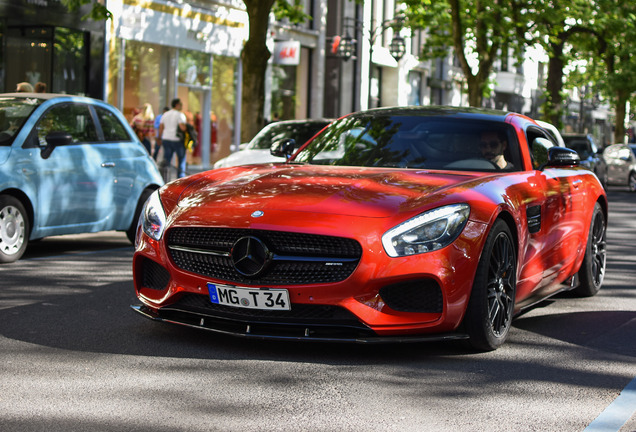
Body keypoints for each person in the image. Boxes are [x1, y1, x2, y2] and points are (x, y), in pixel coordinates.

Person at [158, 98, 187, 178]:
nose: (181, 106)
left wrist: (159, 138)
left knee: (167, 160)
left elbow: (161, 127)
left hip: (166, 139)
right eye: (180, 104)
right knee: (181, 160)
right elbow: (182, 127)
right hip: (177, 140)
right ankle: (181, 180)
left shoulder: (165, 114)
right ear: (177, 105)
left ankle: (164, 178)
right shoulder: (180, 114)